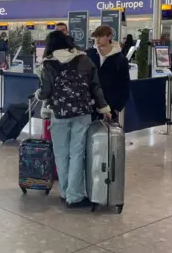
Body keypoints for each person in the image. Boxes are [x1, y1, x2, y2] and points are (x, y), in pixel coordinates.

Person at [35, 30, 111, 208]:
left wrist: (39, 94)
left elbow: (45, 92)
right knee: (77, 153)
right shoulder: (84, 59)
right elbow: (95, 86)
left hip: (58, 113)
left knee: (61, 153)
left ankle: (64, 191)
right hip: (81, 113)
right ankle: (74, 195)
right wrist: (104, 107)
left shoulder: (48, 64)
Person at [86, 26, 130, 120]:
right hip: (89, 105)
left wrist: (117, 107)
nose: (97, 39)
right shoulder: (89, 54)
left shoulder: (120, 59)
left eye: (101, 36)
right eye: (96, 36)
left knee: (107, 133)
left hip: (110, 105)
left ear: (109, 37)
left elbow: (125, 85)